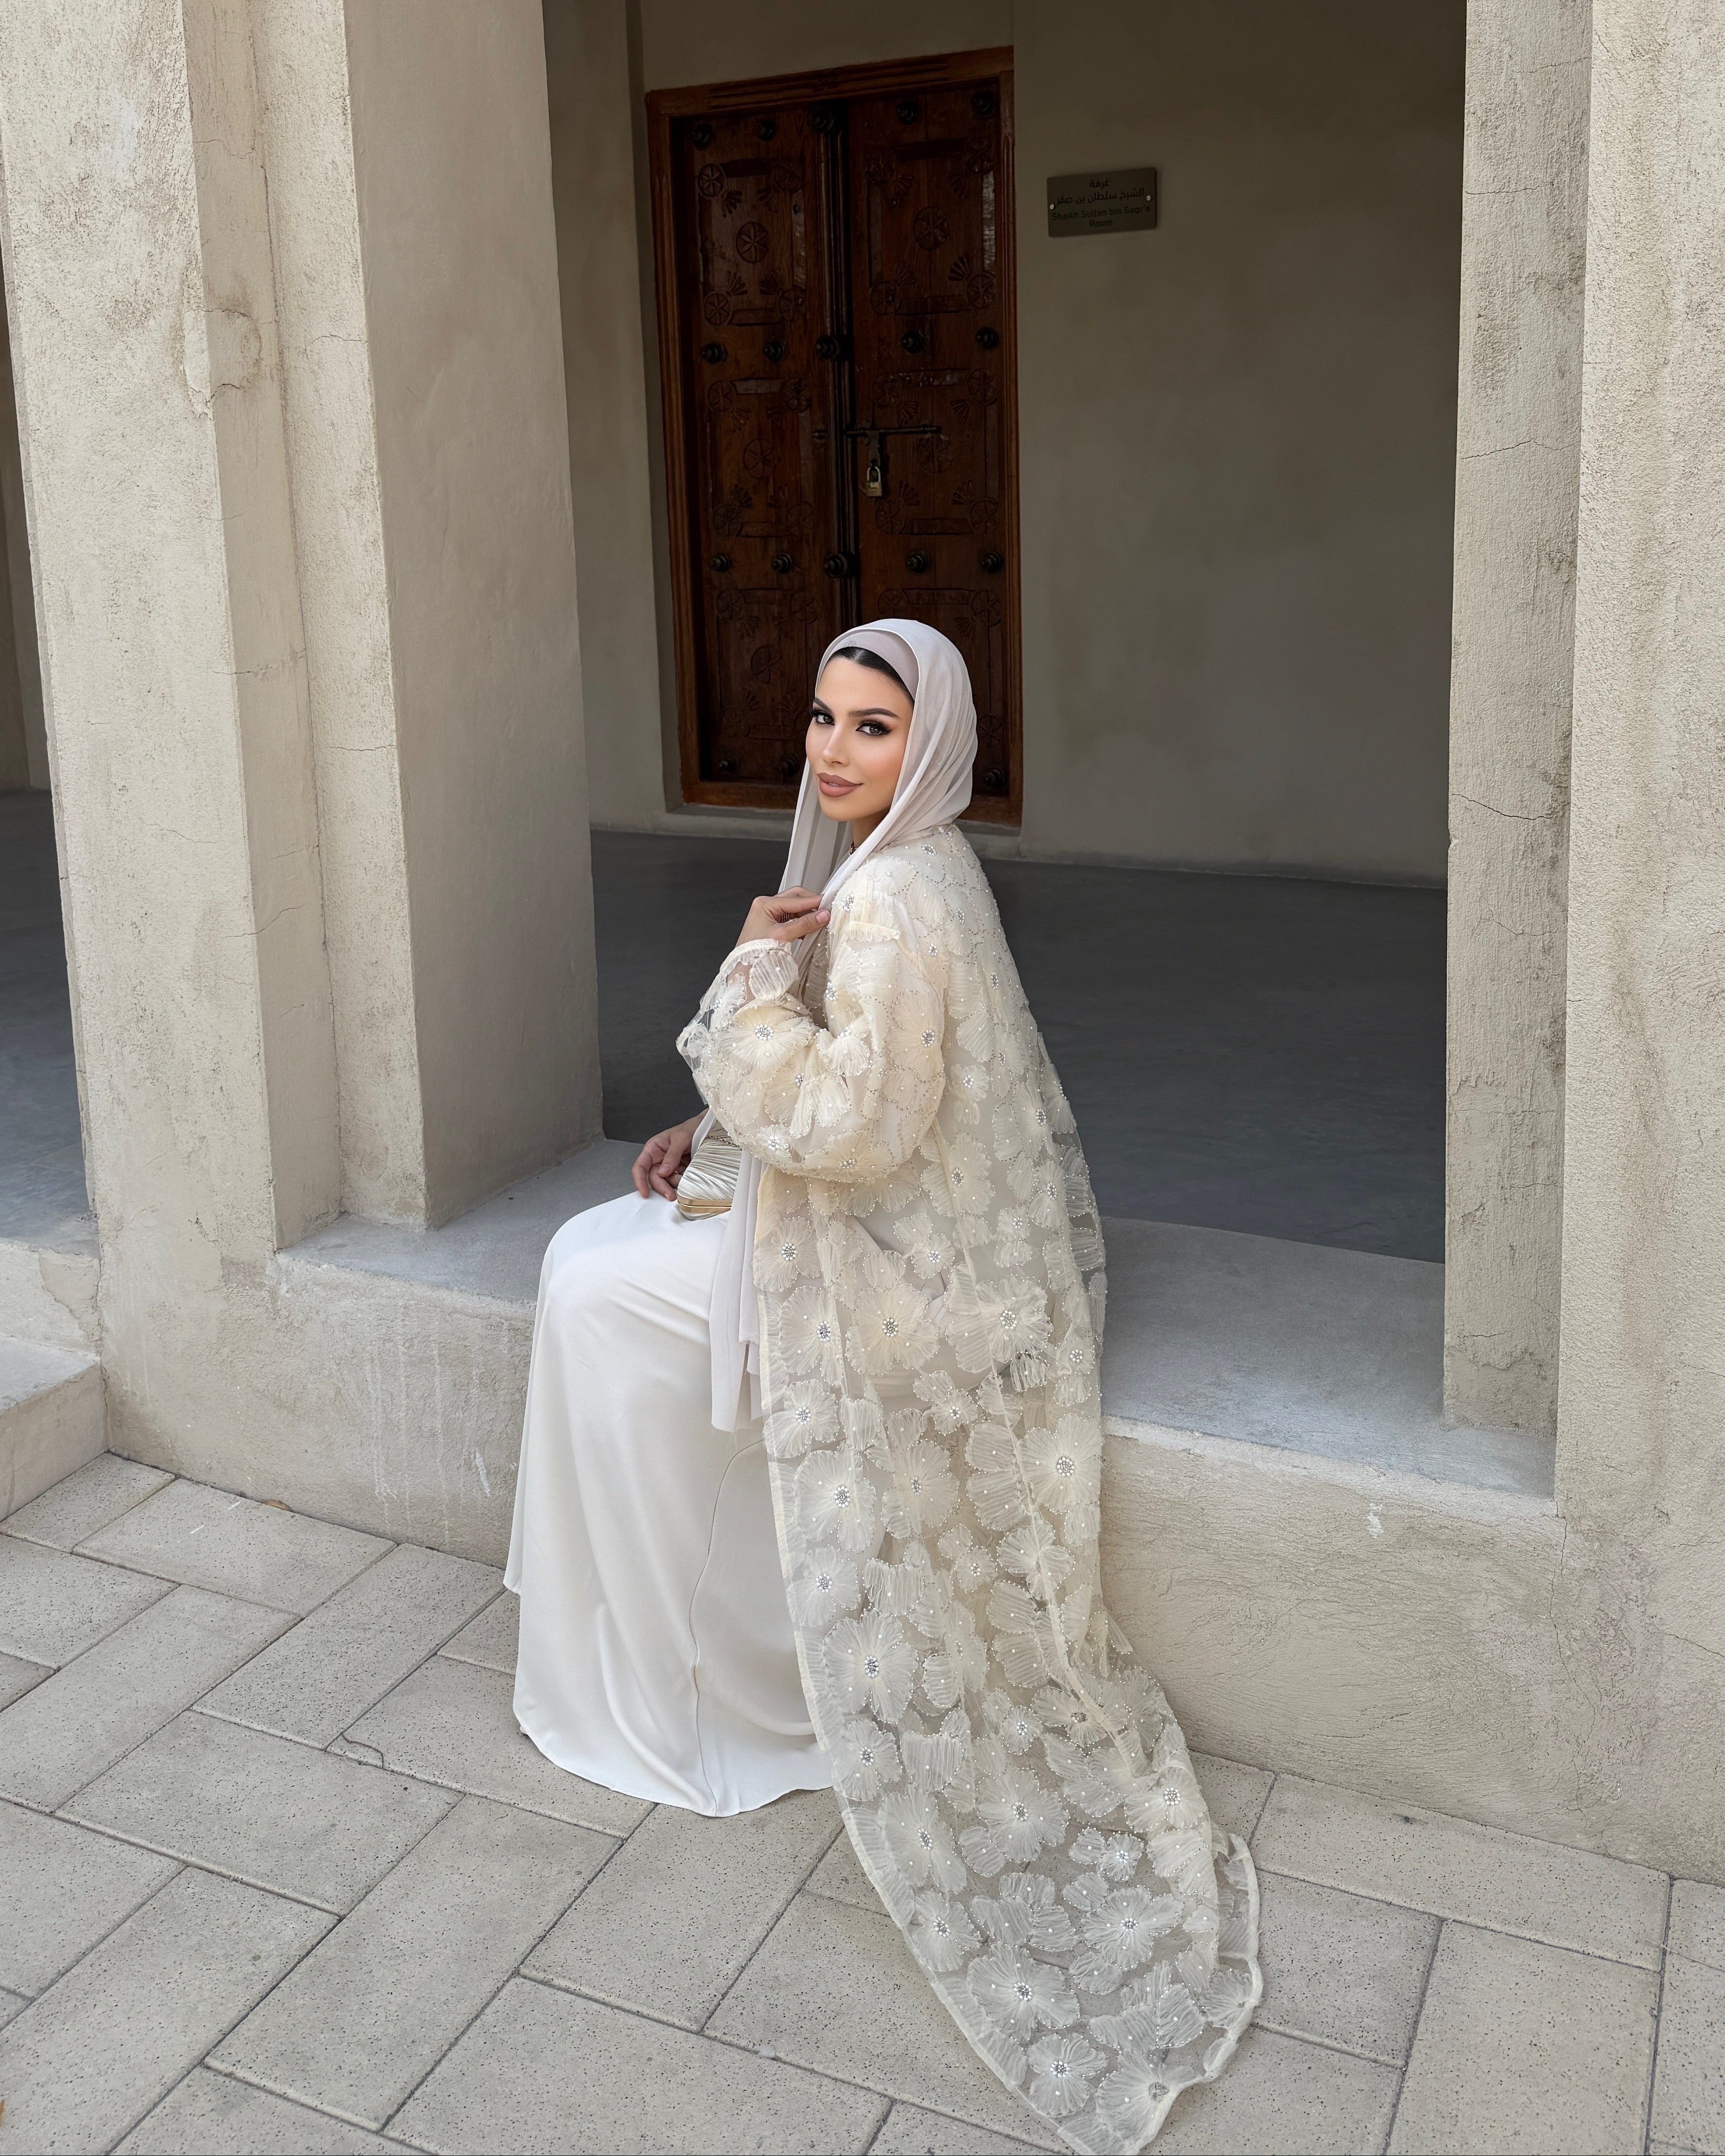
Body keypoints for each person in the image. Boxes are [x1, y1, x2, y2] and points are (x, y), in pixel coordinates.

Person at [506, 621, 1260, 2152]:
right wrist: (714, 1127)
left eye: (872, 725)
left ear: (932, 744)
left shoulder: (896, 897)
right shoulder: (910, 864)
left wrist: (745, 978)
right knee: (595, 1252)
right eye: (822, 717)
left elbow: (855, 1127)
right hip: (883, 1226)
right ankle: (677, 1641)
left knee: (587, 1285)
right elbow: (850, 1080)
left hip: (900, 1278)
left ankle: (685, 1684)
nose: (834, 750)